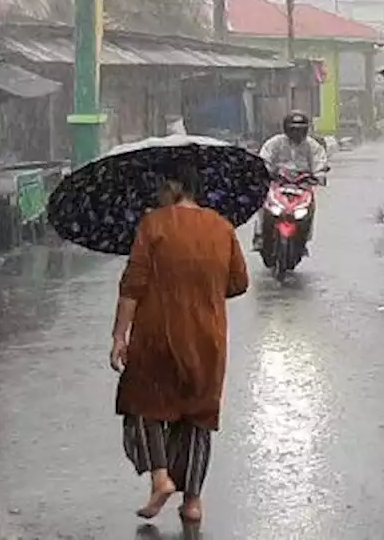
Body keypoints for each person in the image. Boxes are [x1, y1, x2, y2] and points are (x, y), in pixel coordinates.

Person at [110, 161, 250, 525]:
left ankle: (160, 476)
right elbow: (238, 283)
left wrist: (119, 335)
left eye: (160, 185)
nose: (157, 193)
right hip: (208, 339)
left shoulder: (154, 225)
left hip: (157, 334)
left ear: (175, 185)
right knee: (198, 416)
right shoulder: (221, 227)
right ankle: (192, 502)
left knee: (144, 404)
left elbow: (133, 286)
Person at [257, 111, 329, 249]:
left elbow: (319, 160)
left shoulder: (311, 145)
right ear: (286, 128)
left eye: (300, 129)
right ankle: (261, 234)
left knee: (309, 208)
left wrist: (319, 175)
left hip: (303, 185)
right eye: (293, 129)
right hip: (278, 182)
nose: (297, 133)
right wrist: (264, 171)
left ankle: (304, 237)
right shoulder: (275, 143)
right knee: (264, 203)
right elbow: (264, 158)